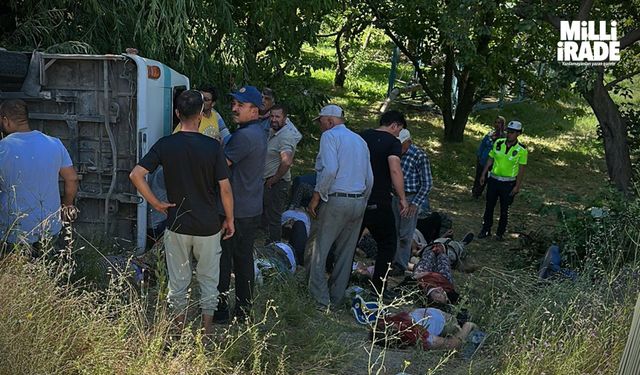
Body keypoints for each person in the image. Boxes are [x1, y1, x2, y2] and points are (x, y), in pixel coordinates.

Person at [129, 89, 235, 336]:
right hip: (208, 226)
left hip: (176, 222)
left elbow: (136, 174)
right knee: (209, 280)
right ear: (200, 114)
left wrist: (156, 203)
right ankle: (206, 333)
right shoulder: (213, 147)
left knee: (178, 282)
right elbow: (225, 189)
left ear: (177, 114)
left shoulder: (166, 144)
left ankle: (179, 330)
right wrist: (229, 219)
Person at [307, 104, 373, 309]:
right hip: (358, 200)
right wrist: (362, 200)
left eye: (321, 122)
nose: (320, 126)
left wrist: (317, 196)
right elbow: (370, 178)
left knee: (319, 248)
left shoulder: (329, 137)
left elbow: (330, 170)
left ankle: (319, 299)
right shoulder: (360, 140)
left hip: (336, 198)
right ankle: (336, 297)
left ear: (329, 120)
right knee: (346, 253)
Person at [215, 85, 268, 323]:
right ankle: (244, 312)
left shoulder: (244, 136)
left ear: (255, 111)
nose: (234, 108)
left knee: (224, 261)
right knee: (243, 261)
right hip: (250, 207)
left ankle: (220, 310)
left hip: (233, 209)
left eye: (240, 105)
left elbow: (220, 167)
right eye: (234, 103)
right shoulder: (257, 132)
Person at [0, 99, 78, 257]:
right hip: (49, 227)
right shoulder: (54, 143)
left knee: (17, 276)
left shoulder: (3, 148)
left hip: (13, 230)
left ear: (5, 120)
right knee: (47, 269)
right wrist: (67, 206)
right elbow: (72, 179)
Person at [359, 110, 409, 295]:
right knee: (388, 244)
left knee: (350, 241)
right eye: (399, 130)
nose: (398, 134)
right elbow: (395, 169)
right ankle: (378, 288)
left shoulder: (362, 136)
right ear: (394, 125)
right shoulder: (392, 143)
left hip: (358, 196)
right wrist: (402, 198)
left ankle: (339, 278)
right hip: (379, 199)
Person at [478, 120, 528, 241]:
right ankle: (486, 229)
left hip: (508, 183)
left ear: (518, 134)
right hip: (494, 180)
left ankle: (500, 233)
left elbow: (521, 169)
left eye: (512, 132)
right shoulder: (499, 143)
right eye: (508, 132)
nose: (509, 134)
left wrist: (517, 186)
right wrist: (483, 174)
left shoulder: (522, 150)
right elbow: (491, 158)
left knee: (504, 209)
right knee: (489, 206)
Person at [392, 129, 433, 272]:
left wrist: (415, 203)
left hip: (410, 196)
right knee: (394, 231)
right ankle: (393, 261)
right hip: (395, 195)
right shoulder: (395, 153)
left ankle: (400, 265)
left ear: (408, 141)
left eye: (401, 144)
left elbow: (427, 183)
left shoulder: (419, 155)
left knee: (405, 234)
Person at [263, 104, 302, 243]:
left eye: (277, 116)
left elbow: (286, 162)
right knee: (267, 214)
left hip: (277, 183)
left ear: (285, 118)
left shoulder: (286, 136)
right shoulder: (273, 132)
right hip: (269, 181)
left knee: (274, 217)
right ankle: (268, 242)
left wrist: (273, 179)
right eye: (272, 116)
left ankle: (274, 247)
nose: (274, 119)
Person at [472, 116, 505, 198]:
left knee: (490, 179)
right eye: (496, 122)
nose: (497, 124)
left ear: (502, 125)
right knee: (479, 176)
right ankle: (476, 193)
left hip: (495, 162)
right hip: (483, 159)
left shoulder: (504, 137)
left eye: (499, 123)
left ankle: (490, 195)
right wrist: (479, 155)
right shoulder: (490, 134)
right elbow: (482, 145)